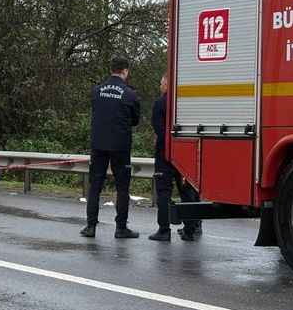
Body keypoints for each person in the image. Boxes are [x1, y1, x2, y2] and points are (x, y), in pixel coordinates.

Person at [81, 56, 141, 239]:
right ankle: (121, 228)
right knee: (122, 188)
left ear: (111, 70)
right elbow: (135, 120)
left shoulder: (97, 91)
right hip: (120, 146)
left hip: (98, 145)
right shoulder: (129, 94)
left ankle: (90, 226)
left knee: (95, 186)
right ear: (125, 71)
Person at [149, 74, 202, 242]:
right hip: (185, 153)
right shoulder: (186, 103)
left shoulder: (160, 103)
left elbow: (157, 127)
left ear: (166, 85)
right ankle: (190, 230)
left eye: (160, 83)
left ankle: (164, 230)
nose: (159, 86)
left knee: (163, 191)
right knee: (187, 190)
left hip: (164, 153)